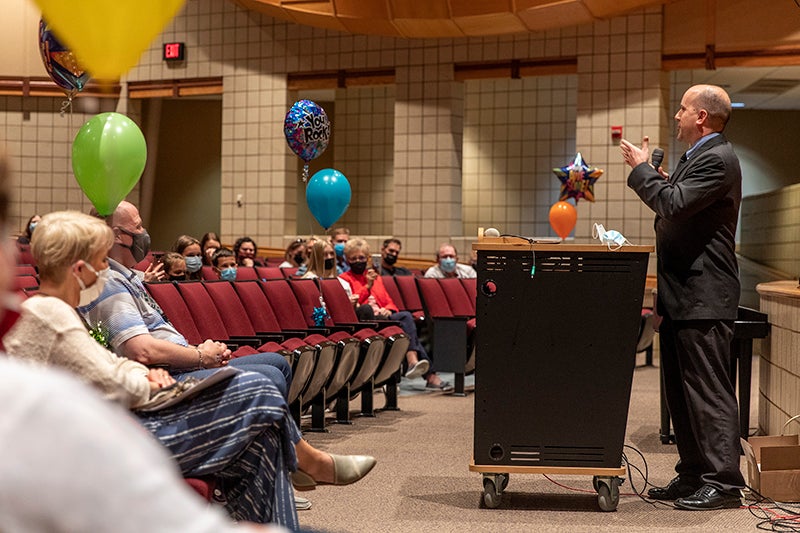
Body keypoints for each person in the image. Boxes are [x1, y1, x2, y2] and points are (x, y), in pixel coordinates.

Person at [0, 149, 283, 532]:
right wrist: (145, 376)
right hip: (118, 427)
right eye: (101, 261)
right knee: (257, 389)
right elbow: (109, 378)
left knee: (259, 444)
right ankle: (305, 467)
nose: (106, 271)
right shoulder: (51, 312)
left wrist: (137, 373)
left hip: (121, 415)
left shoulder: (58, 309)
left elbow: (107, 366)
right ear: (80, 269)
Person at [620, 84, 745, 511]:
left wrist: (642, 170)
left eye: (683, 109)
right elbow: (675, 210)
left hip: (705, 292)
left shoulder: (717, 159)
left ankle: (724, 483)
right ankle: (693, 474)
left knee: (708, 392)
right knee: (680, 392)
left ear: (703, 118)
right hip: (681, 295)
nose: (677, 115)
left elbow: (671, 205)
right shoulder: (697, 157)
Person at [340, 238, 453, 391]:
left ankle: (412, 360)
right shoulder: (344, 279)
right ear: (347, 259)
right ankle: (429, 375)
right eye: (353, 259)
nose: (358, 261)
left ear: (367, 258)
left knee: (405, 316)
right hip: (366, 319)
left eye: (361, 258)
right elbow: (350, 304)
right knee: (402, 328)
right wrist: (367, 286)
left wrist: (389, 310)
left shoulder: (376, 277)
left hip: (383, 316)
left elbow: (389, 301)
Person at [301, 239, 372, 321]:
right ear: (317, 258)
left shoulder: (341, 282)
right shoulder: (309, 280)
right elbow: (315, 308)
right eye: (325, 254)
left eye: (331, 254)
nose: (329, 257)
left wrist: (352, 304)